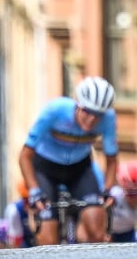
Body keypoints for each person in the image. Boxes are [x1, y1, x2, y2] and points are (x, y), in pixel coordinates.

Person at [18, 75, 118, 245]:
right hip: (45, 169)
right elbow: (24, 156)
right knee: (48, 242)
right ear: (77, 105)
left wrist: (108, 189)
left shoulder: (108, 119)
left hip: (80, 170)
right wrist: (34, 191)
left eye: (98, 115)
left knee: (97, 232)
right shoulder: (55, 111)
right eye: (87, 111)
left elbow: (112, 160)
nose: (92, 119)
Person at [3, 181, 37, 248]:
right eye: (27, 200)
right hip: (22, 244)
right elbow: (15, 240)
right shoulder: (14, 211)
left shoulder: (38, 207)